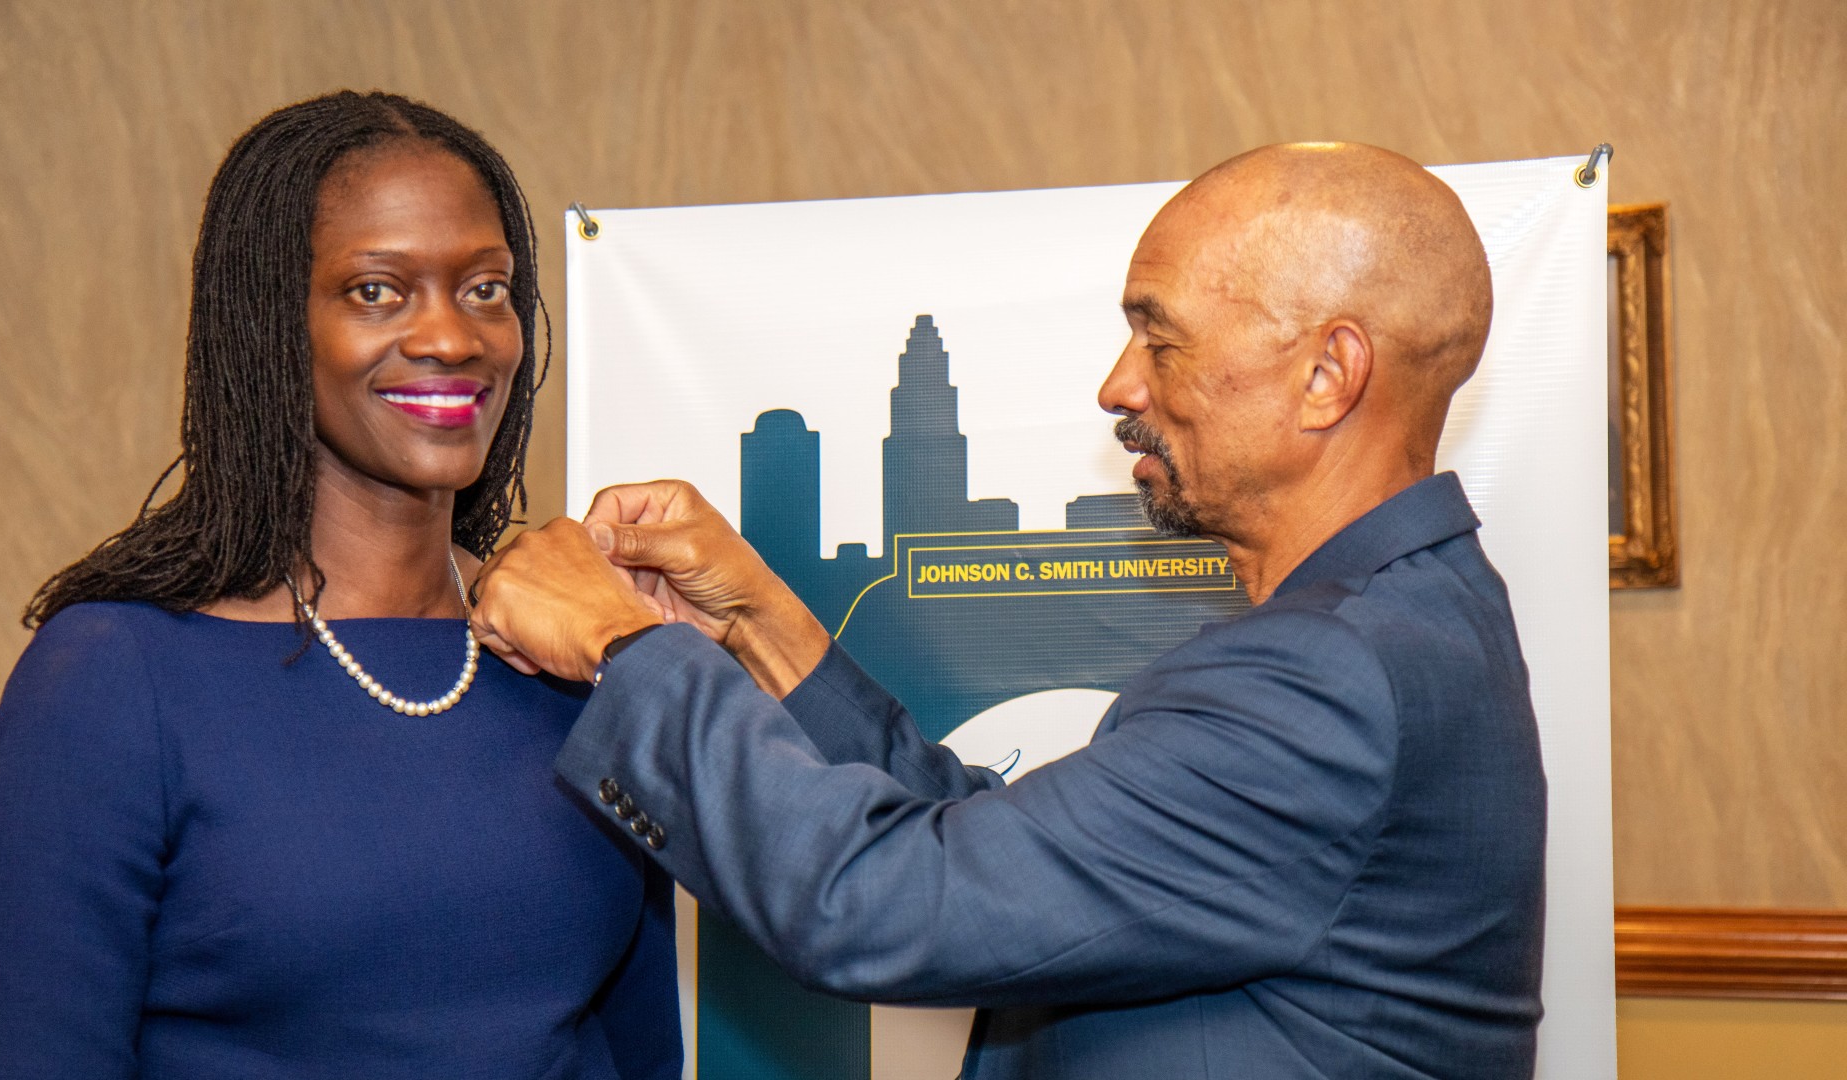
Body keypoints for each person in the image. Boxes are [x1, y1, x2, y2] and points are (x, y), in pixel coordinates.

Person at [469, 142, 1547, 1079]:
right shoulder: (1402, 619)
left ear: (1328, 374)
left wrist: (622, 642)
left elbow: (889, 900)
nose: (1119, 385)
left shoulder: (1331, 672)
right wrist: (753, 617)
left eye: (1160, 339)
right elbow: (994, 852)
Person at [0, 91, 680, 1080]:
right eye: (378, 291)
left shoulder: (572, 648)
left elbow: (639, 1050)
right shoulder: (112, 682)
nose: (452, 337)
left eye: (485, 287)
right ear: (270, 324)